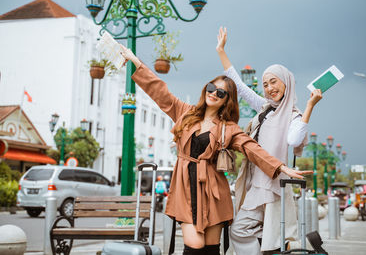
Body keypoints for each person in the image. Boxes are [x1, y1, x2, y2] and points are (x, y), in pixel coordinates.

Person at [119, 44, 312, 255]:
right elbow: (160, 92)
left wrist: (281, 167)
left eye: (221, 93)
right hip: (185, 185)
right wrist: (135, 62)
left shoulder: (228, 128)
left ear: (227, 100)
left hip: (213, 191)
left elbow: (252, 149)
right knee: (194, 245)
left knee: (211, 248)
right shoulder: (186, 112)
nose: (214, 93)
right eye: (211, 88)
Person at [216, 27, 322, 254]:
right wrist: (221, 51)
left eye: (274, 82)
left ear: (286, 82)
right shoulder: (264, 109)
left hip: (273, 184)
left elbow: (294, 140)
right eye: (265, 84)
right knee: (265, 236)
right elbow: (240, 87)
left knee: (242, 230)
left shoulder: (294, 115)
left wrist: (310, 106)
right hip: (255, 181)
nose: (269, 88)